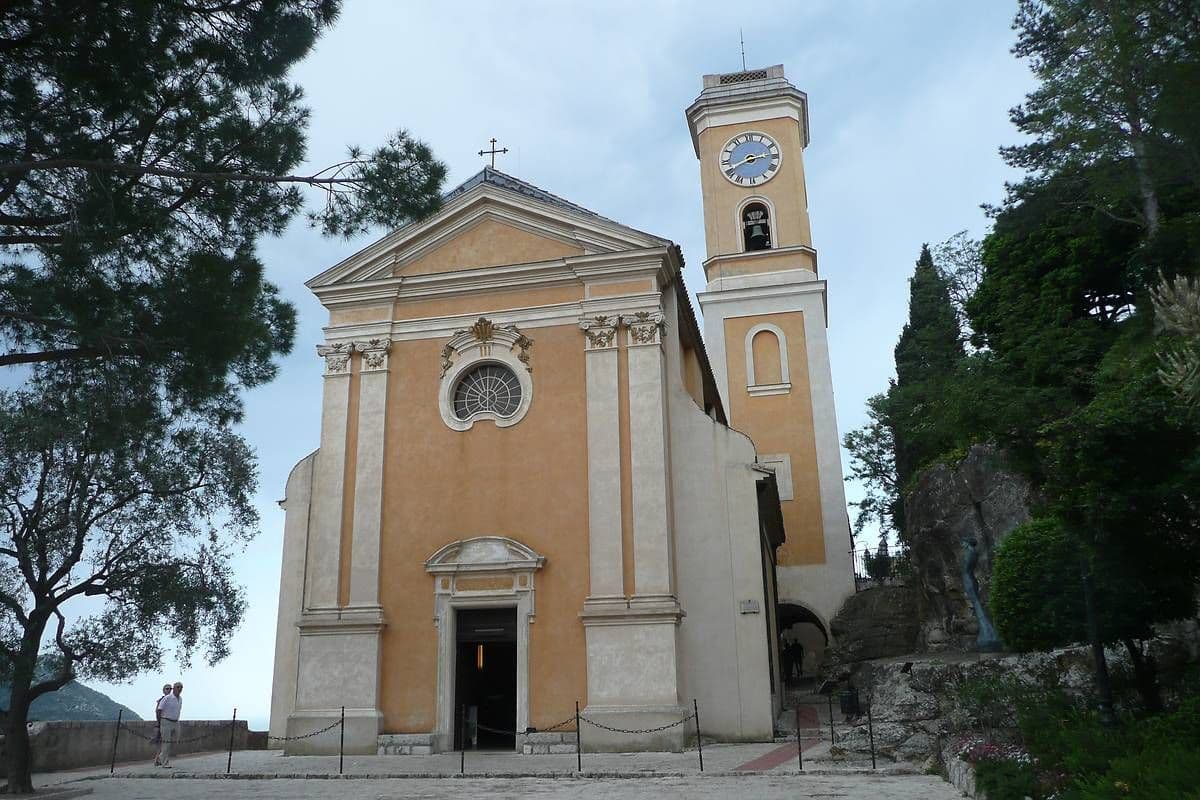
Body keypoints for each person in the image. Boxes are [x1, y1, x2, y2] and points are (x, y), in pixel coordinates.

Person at [157, 682, 183, 768]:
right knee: (166, 742)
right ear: (174, 688)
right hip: (166, 721)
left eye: (181, 687)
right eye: (178, 687)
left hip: (176, 722)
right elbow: (159, 709)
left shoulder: (180, 699)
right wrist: (160, 722)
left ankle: (160, 757)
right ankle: (164, 763)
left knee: (176, 740)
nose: (179, 689)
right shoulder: (167, 698)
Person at [152, 684, 171, 766]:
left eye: (170, 689)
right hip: (162, 724)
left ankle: (158, 760)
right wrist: (160, 722)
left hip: (168, 724)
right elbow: (157, 711)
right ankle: (159, 759)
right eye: (167, 689)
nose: (169, 690)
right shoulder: (162, 700)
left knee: (164, 743)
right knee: (162, 743)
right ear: (164, 690)